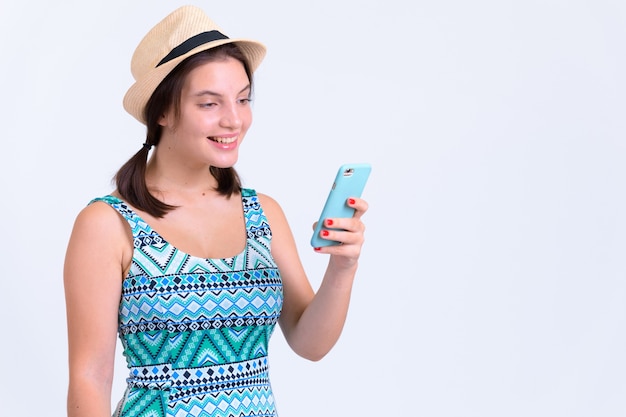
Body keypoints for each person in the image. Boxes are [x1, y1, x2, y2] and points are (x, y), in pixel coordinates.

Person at [63, 5, 369, 417]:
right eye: (210, 104)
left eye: (243, 99)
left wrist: (343, 267)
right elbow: (90, 376)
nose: (234, 120)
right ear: (162, 111)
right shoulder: (107, 224)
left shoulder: (262, 214)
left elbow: (309, 343)